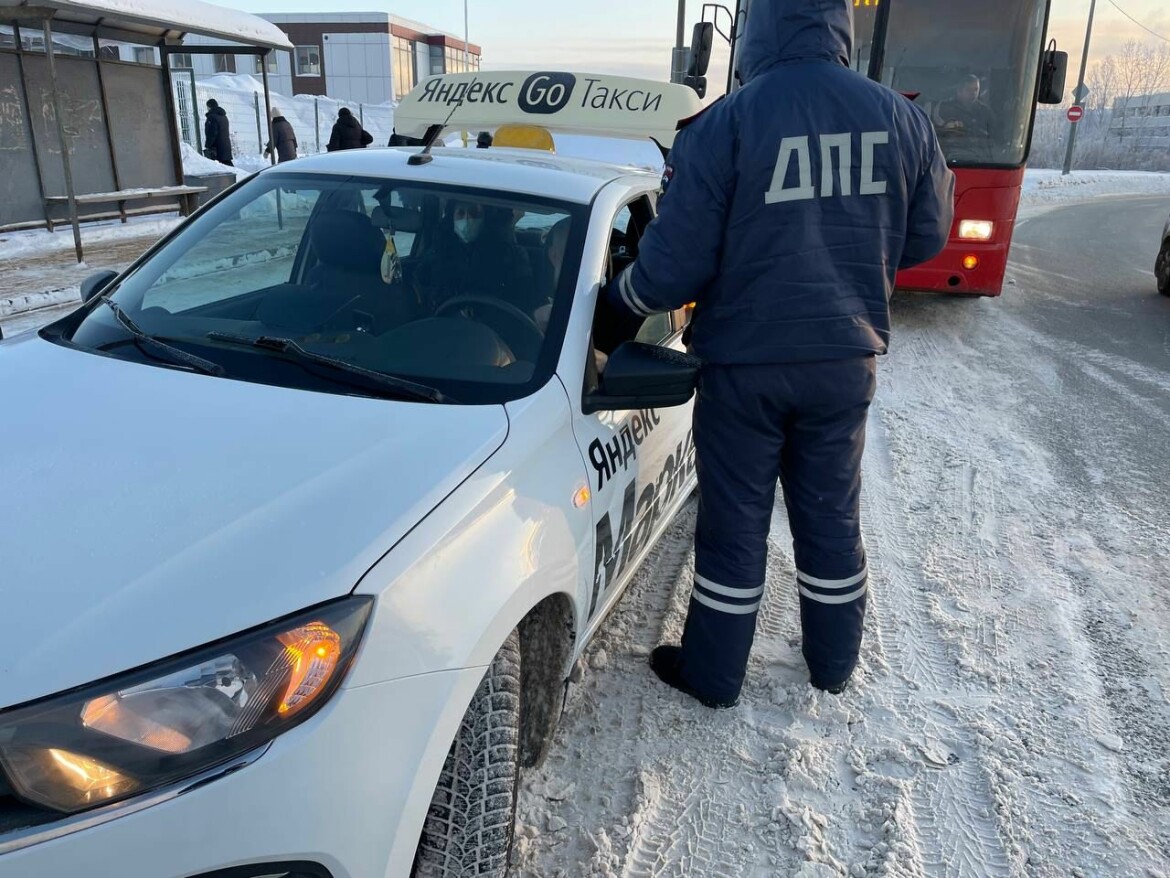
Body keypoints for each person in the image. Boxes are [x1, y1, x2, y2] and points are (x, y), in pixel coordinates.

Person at [603, 0, 954, 709]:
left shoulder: (729, 122)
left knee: (735, 523)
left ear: (757, 26)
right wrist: (861, 255)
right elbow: (928, 235)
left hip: (746, 365)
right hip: (844, 360)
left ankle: (714, 675)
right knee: (830, 514)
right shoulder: (900, 118)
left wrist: (619, 305)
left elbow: (673, 265)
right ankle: (833, 664)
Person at [934, 74, 995, 154]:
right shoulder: (945, 108)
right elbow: (937, 134)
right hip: (950, 154)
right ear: (959, 91)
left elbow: (995, 136)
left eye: (976, 89)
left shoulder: (985, 111)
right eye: (969, 90)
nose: (973, 93)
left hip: (981, 156)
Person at [203, 99, 233, 166]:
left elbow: (212, 133)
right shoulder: (224, 116)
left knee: (219, 167)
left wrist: (208, 145)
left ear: (209, 107)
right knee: (228, 165)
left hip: (217, 148)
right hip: (226, 145)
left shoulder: (212, 117)